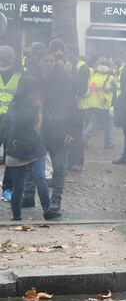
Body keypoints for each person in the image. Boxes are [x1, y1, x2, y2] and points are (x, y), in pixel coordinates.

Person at [20, 43, 81, 214]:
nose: (50, 63)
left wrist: (72, 130)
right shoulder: (31, 80)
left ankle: (56, 201)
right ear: (38, 62)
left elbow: (72, 106)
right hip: (38, 130)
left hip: (60, 131)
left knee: (59, 168)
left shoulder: (62, 80)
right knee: (32, 164)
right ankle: (29, 194)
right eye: (46, 60)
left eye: (52, 60)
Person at [5, 44, 61, 220]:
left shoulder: (39, 104)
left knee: (40, 178)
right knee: (19, 186)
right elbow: (17, 121)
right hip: (17, 149)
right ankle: (16, 216)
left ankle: (47, 210)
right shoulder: (15, 105)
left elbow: (48, 124)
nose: (36, 94)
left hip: (36, 148)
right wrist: (33, 110)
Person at [0, 45, 22, 202]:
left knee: (9, 154)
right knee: (9, 154)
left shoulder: (20, 75)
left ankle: (7, 188)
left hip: (11, 119)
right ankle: (7, 188)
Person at [81, 57, 116, 150]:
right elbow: (111, 89)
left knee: (94, 122)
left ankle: (84, 140)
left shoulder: (95, 75)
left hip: (93, 102)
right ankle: (108, 143)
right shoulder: (110, 77)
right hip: (104, 103)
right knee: (107, 124)